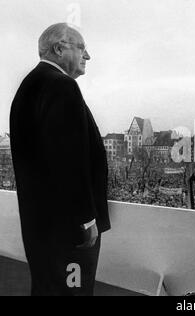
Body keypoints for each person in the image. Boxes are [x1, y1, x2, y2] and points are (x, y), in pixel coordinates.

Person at [9, 23, 110, 295]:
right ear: (58, 48)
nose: (87, 56)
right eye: (81, 47)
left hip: (41, 225)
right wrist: (86, 219)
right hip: (69, 231)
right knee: (72, 290)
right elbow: (68, 159)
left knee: (47, 288)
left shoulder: (30, 86)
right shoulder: (61, 86)